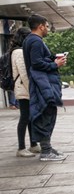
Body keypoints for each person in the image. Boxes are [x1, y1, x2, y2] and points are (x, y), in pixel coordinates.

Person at [23, 14, 67, 161]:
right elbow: (36, 63)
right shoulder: (35, 41)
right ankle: (46, 151)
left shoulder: (29, 40)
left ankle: (47, 147)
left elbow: (37, 61)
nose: (48, 29)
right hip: (42, 84)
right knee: (45, 114)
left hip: (40, 83)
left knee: (47, 113)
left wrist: (52, 59)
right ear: (41, 26)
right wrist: (55, 64)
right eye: (47, 26)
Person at [11, 27, 40, 157]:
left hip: (24, 88)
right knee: (24, 118)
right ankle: (21, 148)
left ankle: (33, 144)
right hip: (23, 89)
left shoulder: (21, 51)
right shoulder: (18, 52)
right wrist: (32, 89)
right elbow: (24, 73)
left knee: (30, 117)